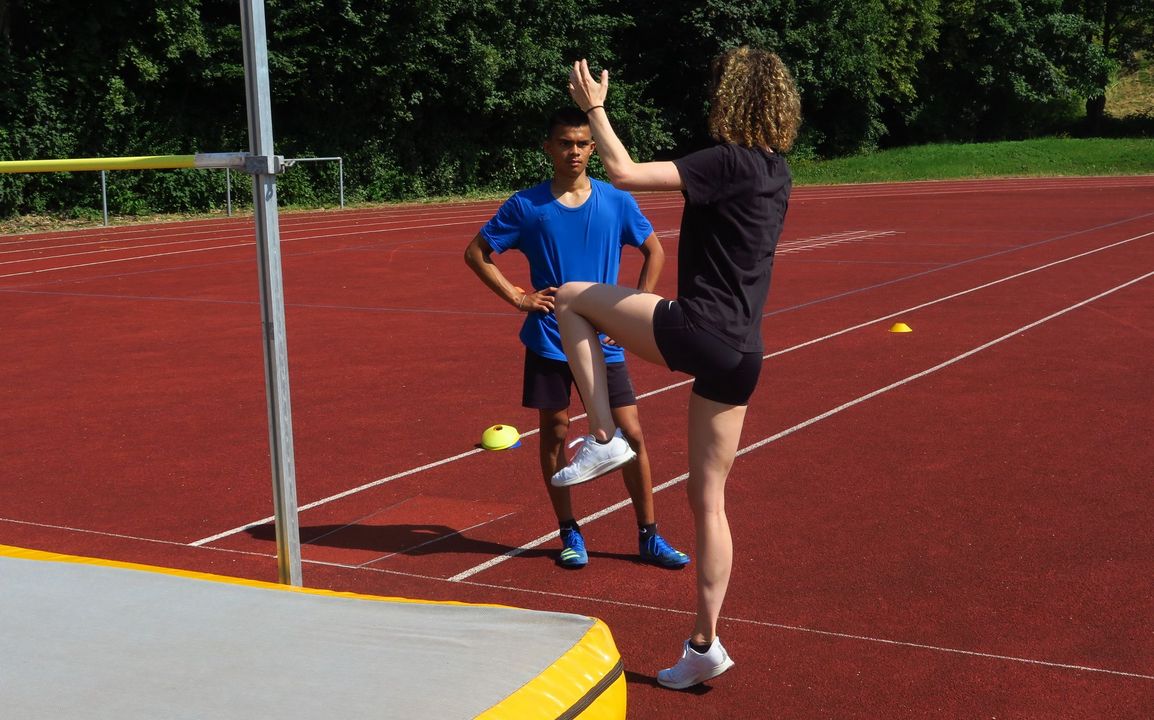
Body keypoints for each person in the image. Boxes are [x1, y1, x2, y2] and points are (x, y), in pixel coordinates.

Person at [552, 48, 801, 689]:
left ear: (730, 98)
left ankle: (604, 436)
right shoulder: (778, 171)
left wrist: (596, 110)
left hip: (701, 329)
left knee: (573, 297)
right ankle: (703, 644)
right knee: (706, 500)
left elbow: (624, 172)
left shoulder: (727, 161)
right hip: (744, 354)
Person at [464, 107, 690, 571]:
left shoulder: (616, 201)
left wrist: (632, 309)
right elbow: (477, 252)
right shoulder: (526, 206)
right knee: (557, 434)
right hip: (548, 339)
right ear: (548, 147)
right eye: (564, 143)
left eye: (582, 143)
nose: (574, 151)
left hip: (603, 343)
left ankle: (649, 535)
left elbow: (655, 250)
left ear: (593, 148)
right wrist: (519, 297)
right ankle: (569, 530)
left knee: (631, 434)